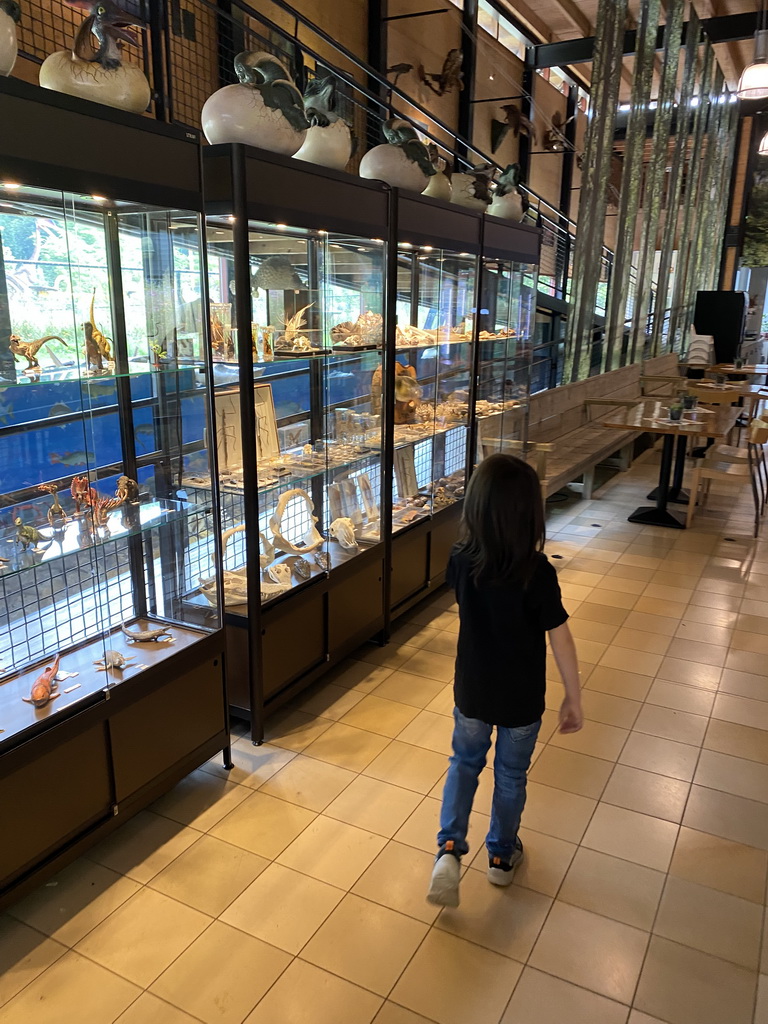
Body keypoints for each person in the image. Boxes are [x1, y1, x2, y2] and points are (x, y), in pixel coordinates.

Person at [427, 453, 582, 908]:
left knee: (464, 764)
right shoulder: (539, 574)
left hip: (473, 691)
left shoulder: (460, 560)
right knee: (511, 776)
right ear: (530, 514)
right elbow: (562, 640)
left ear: (475, 508)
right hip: (520, 700)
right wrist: (573, 697)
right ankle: (499, 858)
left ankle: (450, 849)